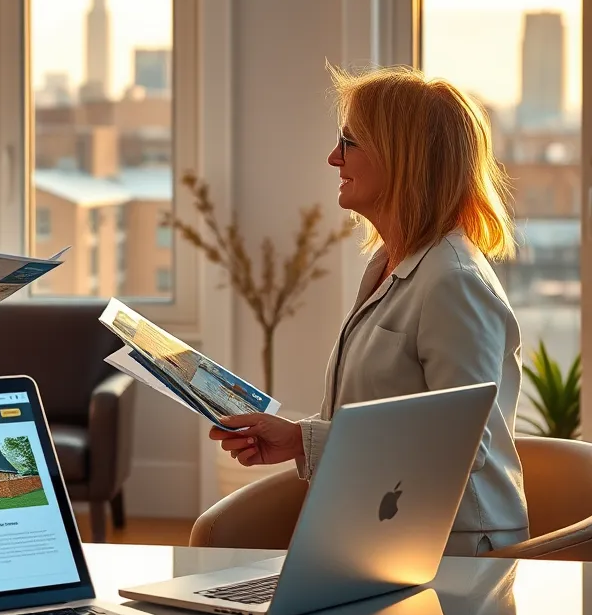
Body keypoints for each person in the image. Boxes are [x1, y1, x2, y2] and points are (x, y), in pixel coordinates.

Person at [210, 65, 529, 556]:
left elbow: (460, 445)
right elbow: (375, 410)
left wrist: (304, 441)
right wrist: (297, 439)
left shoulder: (454, 283)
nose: (333, 157)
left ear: (403, 158)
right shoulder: (389, 264)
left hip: (450, 554)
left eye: (349, 142)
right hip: (382, 530)